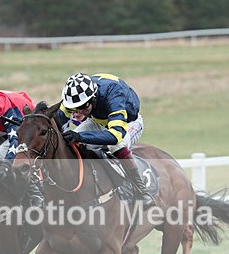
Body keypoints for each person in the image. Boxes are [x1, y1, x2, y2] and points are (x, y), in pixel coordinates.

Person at [55, 72, 156, 208]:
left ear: (93, 98)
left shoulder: (113, 94)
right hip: (99, 121)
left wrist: (80, 137)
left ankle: (142, 191)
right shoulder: (75, 96)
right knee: (72, 143)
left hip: (128, 122)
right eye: (75, 108)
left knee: (116, 145)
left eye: (83, 107)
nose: (79, 111)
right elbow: (58, 122)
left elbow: (115, 136)